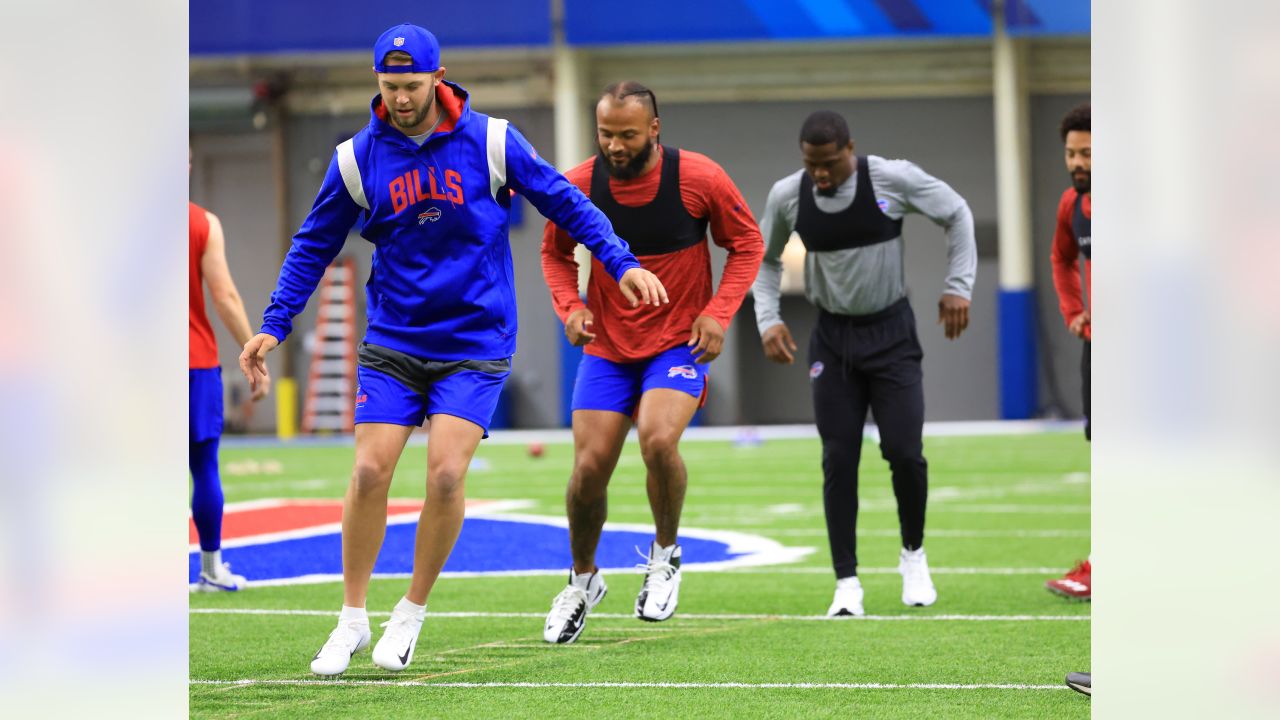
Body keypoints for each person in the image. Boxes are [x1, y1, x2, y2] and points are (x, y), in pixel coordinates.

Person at [238, 25, 666, 677]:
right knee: (368, 472)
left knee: (444, 474)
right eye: (389, 87)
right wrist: (274, 325)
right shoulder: (356, 159)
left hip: (476, 340)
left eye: (412, 86)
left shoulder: (492, 141)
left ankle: (409, 612)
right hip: (395, 338)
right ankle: (352, 619)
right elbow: (312, 244)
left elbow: (565, 203)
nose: (402, 99)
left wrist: (619, 261)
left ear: (439, 78)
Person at [539, 82, 763, 643]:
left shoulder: (700, 178)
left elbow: (748, 243)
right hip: (608, 348)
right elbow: (555, 252)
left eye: (628, 134)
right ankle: (583, 579)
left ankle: (664, 556)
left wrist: (718, 313)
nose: (615, 145)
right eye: (606, 133)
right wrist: (570, 306)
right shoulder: (580, 185)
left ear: (655, 129)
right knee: (589, 469)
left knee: (658, 441)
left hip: (676, 345)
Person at [752, 111, 976, 616]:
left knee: (904, 451)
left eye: (829, 164)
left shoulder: (892, 180)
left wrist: (957, 287)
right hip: (832, 340)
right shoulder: (789, 195)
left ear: (850, 148)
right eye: (812, 166)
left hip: (892, 334)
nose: (821, 176)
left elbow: (957, 213)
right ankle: (846, 583)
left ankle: (913, 555)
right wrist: (767, 318)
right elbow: (763, 258)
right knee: (838, 457)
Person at [190, 188, 269, 591]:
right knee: (204, 467)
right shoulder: (203, 223)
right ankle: (211, 568)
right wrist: (253, 351)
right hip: (195, 361)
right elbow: (224, 295)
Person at [1045, 102, 1092, 602]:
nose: (1077, 163)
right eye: (1071, 153)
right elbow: (1061, 259)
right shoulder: (1071, 207)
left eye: (1088, 154)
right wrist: (1073, 311)